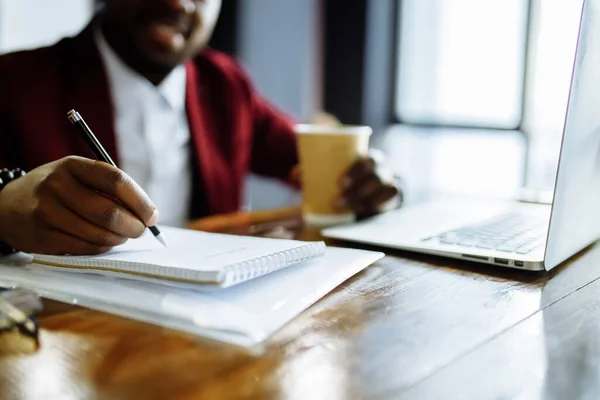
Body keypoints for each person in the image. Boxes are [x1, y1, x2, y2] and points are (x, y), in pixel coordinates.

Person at [0, 0, 401, 256]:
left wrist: (372, 177)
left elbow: (311, 150)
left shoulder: (226, 85)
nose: (177, 2)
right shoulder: (15, 80)